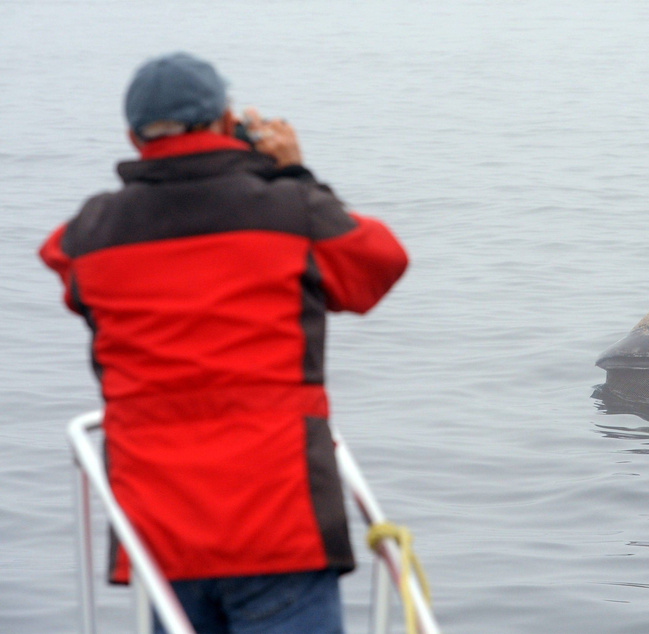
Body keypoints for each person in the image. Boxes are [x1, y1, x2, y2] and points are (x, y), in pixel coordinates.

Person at [39, 52, 408, 633]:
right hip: (280, 527)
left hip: (162, 537)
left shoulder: (90, 234)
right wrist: (291, 173)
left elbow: (65, 269)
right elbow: (376, 268)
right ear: (226, 120)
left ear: (134, 136)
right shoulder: (293, 211)